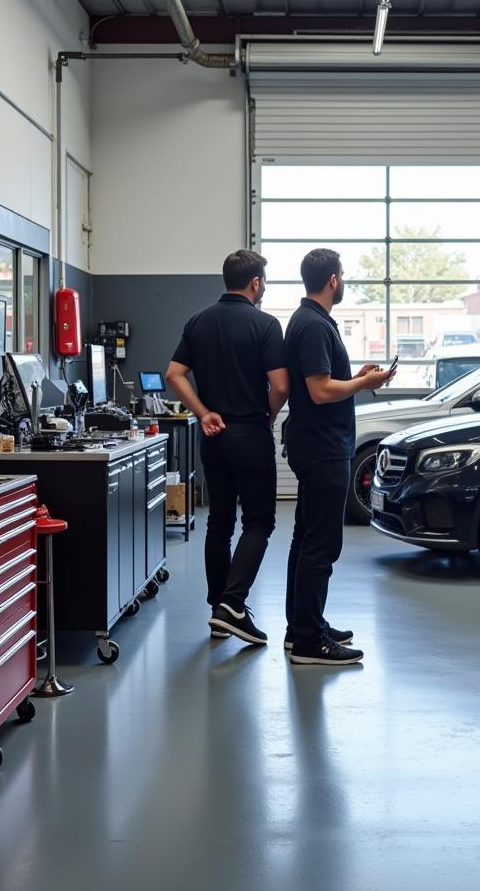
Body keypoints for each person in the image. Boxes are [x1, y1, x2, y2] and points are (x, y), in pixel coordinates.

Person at [165, 249, 289, 646]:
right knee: (259, 521)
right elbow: (282, 386)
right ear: (255, 282)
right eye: (264, 281)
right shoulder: (266, 325)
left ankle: (218, 607)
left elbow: (174, 375)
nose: (264, 288)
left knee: (219, 522)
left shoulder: (198, 321)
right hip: (250, 435)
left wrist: (203, 412)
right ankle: (232, 605)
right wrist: (267, 415)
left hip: (214, 438)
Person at [283, 248, 395, 666]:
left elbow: (326, 382)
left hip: (316, 444)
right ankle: (310, 643)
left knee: (306, 538)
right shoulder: (312, 325)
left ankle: (303, 629)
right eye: (343, 275)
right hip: (322, 448)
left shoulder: (311, 321)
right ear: (332, 280)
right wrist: (364, 383)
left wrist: (357, 377)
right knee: (321, 545)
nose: (343, 281)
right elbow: (320, 390)